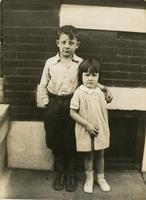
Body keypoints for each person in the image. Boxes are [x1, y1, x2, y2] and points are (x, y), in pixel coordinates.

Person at [39, 25, 112, 192]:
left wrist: (105, 89)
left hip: (72, 105)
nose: (67, 46)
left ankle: (70, 174)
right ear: (57, 43)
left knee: (70, 139)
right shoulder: (50, 62)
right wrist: (46, 104)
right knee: (55, 139)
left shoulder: (80, 63)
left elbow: (89, 79)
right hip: (54, 103)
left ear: (76, 45)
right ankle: (60, 173)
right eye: (63, 42)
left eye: (71, 43)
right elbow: (43, 84)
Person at [70, 57, 111, 194]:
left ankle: (101, 178)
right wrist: (86, 124)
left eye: (94, 75)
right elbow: (72, 112)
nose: (90, 78)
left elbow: (108, 98)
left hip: (100, 128)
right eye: (86, 75)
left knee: (100, 154)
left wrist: (108, 91)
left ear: (99, 76)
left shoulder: (100, 92)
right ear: (81, 75)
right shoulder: (79, 93)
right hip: (85, 128)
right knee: (88, 155)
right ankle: (89, 178)